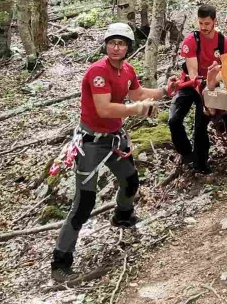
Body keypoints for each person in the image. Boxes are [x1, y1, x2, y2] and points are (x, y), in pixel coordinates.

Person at [52, 23, 176, 281]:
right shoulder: (98, 72)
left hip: (115, 140)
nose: (116, 47)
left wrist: (165, 91)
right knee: (84, 203)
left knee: (130, 181)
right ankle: (60, 261)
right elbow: (105, 109)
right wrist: (137, 109)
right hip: (91, 142)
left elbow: (137, 93)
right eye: (112, 43)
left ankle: (122, 216)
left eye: (121, 43)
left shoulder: (127, 69)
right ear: (106, 45)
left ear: (129, 47)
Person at [168, 4, 227, 173]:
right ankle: (187, 154)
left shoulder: (222, 42)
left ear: (214, 22)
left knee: (200, 125)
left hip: (211, 84)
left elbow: (225, 69)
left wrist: (211, 88)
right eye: (201, 23)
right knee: (174, 120)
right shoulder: (191, 40)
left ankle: (201, 164)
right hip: (190, 84)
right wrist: (201, 87)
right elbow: (193, 72)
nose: (203, 27)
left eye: (207, 24)